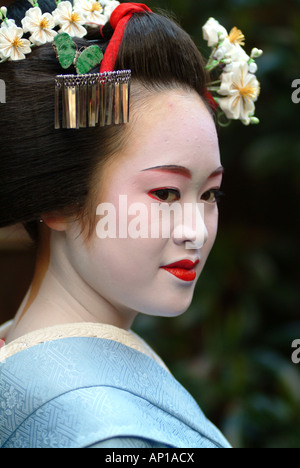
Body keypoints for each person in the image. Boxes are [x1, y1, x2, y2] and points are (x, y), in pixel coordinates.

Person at [0, 0, 232, 448]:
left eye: (210, 194)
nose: (196, 231)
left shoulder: (16, 352)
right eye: (165, 193)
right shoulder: (112, 438)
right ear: (63, 199)